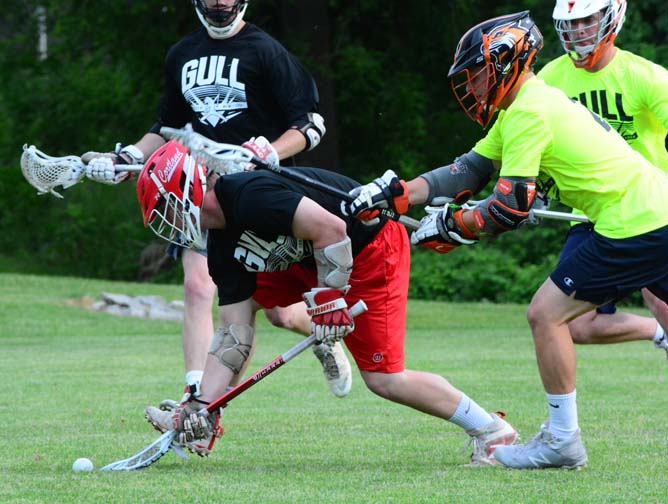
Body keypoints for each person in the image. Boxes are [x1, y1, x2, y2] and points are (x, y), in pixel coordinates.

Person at [347, 11, 668, 469]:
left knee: (546, 315)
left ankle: (562, 441)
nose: (473, 85)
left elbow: (509, 207)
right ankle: (561, 439)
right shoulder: (526, 102)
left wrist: (455, 225)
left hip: (636, 223)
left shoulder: (528, 111)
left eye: (478, 73)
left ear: (505, 63)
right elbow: (466, 171)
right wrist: (397, 194)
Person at [133, 140, 519, 464]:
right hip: (311, 259)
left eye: (166, 207)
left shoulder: (248, 195)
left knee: (385, 379)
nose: (167, 220)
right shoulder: (221, 248)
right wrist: (201, 403)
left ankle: (491, 430)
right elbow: (233, 334)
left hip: (368, 247)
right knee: (245, 311)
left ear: (189, 189)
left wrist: (329, 299)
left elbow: (332, 230)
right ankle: (207, 418)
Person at [79, 0, 351, 410]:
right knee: (197, 286)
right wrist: (126, 157)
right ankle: (196, 398)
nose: (219, 3)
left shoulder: (266, 51)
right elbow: (166, 128)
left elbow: (310, 125)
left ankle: (322, 334)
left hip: (258, 195)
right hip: (198, 195)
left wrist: (269, 152)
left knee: (278, 313)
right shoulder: (182, 54)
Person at [537, 0, 668, 435]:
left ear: (610, 18)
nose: (578, 31)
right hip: (592, 214)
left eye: (587, 20)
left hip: (651, 212)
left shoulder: (643, 75)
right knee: (574, 322)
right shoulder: (549, 79)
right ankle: (658, 334)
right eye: (570, 23)